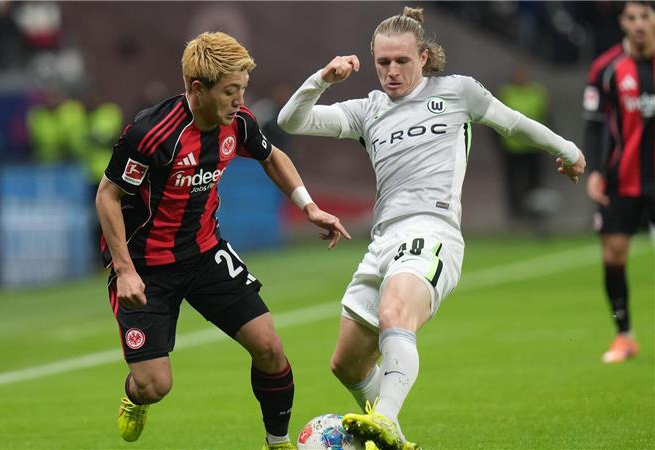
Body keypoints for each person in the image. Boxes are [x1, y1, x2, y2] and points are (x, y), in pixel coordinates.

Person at [278, 7, 585, 450]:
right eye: (383, 62)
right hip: (383, 239)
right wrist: (324, 78)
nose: (392, 71)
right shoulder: (368, 110)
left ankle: (384, 418)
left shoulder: (457, 92)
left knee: (394, 315)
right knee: (346, 362)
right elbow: (292, 121)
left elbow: (513, 122)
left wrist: (568, 149)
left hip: (433, 230)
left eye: (402, 61)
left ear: (423, 57)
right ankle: (392, 436)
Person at [95, 31, 350, 450]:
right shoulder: (152, 132)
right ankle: (134, 394)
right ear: (197, 89)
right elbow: (108, 194)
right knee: (155, 385)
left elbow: (272, 156)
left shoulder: (238, 122)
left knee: (269, 346)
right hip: (146, 269)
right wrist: (124, 270)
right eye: (231, 91)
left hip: (204, 253)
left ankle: (278, 441)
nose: (239, 100)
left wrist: (308, 207)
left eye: (242, 89)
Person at [582, 1, 654, 364]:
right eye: (632, 17)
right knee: (613, 256)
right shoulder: (606, 68)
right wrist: (594, 169)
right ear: (622, 22)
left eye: (645, 16)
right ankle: (624, 335)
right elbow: (594, 125)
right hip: (620, 178)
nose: (639, 24)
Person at [496, 62, 550, 225]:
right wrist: (499, 144)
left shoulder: (537, 92)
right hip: (512, 148)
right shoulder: (506, 93)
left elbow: (546, 117)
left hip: (534, 147)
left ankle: (535, 215)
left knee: (535, 183)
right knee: (513, 183)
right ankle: (515, 215)